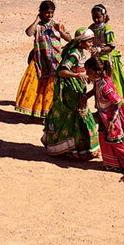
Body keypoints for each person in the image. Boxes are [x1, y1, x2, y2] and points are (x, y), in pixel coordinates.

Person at [43, 28, 100, 159]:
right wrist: (77, 75)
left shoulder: (81, 52)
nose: (91, 44)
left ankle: (78, 148)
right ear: (81, 42)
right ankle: (73, 149)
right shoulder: (74, 54)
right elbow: (62, 71)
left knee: (79, 115)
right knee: (76, 115)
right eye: (89, 42)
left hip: (77, 87)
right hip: (70, 89)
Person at [16, 0, 68, 119]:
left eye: (51, 13)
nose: (49, 15)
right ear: (41, 12)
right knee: (37, 85)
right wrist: (36, 20)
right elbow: (29, 33)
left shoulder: (57, 25)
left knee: (51, 87)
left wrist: (60, 31)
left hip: (54, 61)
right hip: (40, 60)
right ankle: (37, 111)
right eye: (47, 13)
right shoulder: (38, 26)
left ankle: (50, 112)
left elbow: (69, 39)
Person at [89, 3, 124, 107]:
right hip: (96, 59)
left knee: (108, 82)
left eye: (98, 17)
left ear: (104, 16)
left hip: (106, 60)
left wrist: (99, 49)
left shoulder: (107, 29)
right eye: (93, 17)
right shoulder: (91, 28)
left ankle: (115, 103)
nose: (96, 20)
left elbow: (111, 47)